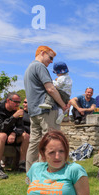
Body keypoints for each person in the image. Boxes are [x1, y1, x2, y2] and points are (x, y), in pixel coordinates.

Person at [24, 45, 70, 173]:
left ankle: (31, 176)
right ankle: (47, 175)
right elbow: (50, 89)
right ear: (42, 53)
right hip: (46, 111)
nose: (51, 61)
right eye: (50, 58)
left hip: (33, 112)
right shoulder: (40, 67)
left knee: (34, 144)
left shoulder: (29, 68)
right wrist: (63, 105)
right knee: (51, 142)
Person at [0, 93, 30, 179]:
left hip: (9, 136)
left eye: (19, 102)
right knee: (2, 135)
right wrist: (13, 117)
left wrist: (14, 133)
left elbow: (20, 127)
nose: (18, 104)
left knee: (26, 136)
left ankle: (22, 165)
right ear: (8, 100)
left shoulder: (18, 110)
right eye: (16, 102)